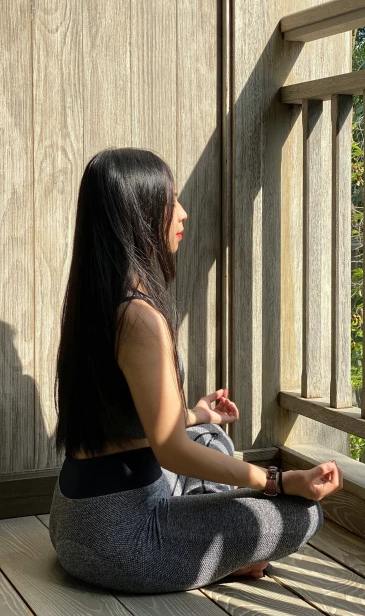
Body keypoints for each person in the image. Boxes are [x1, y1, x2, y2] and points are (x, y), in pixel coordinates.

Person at [48, 147, 343, 594]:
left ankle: (205, 531)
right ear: (140, 214)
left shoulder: (97, 299)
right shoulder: (139, 317)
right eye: (170, 202)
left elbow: (132, 426)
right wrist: (277, 481)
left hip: (74, 521)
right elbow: (169, 451)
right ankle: (213, 552)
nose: (182, 214)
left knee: (209, 436)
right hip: (123, 542)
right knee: (303, 513)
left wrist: (197, 415)